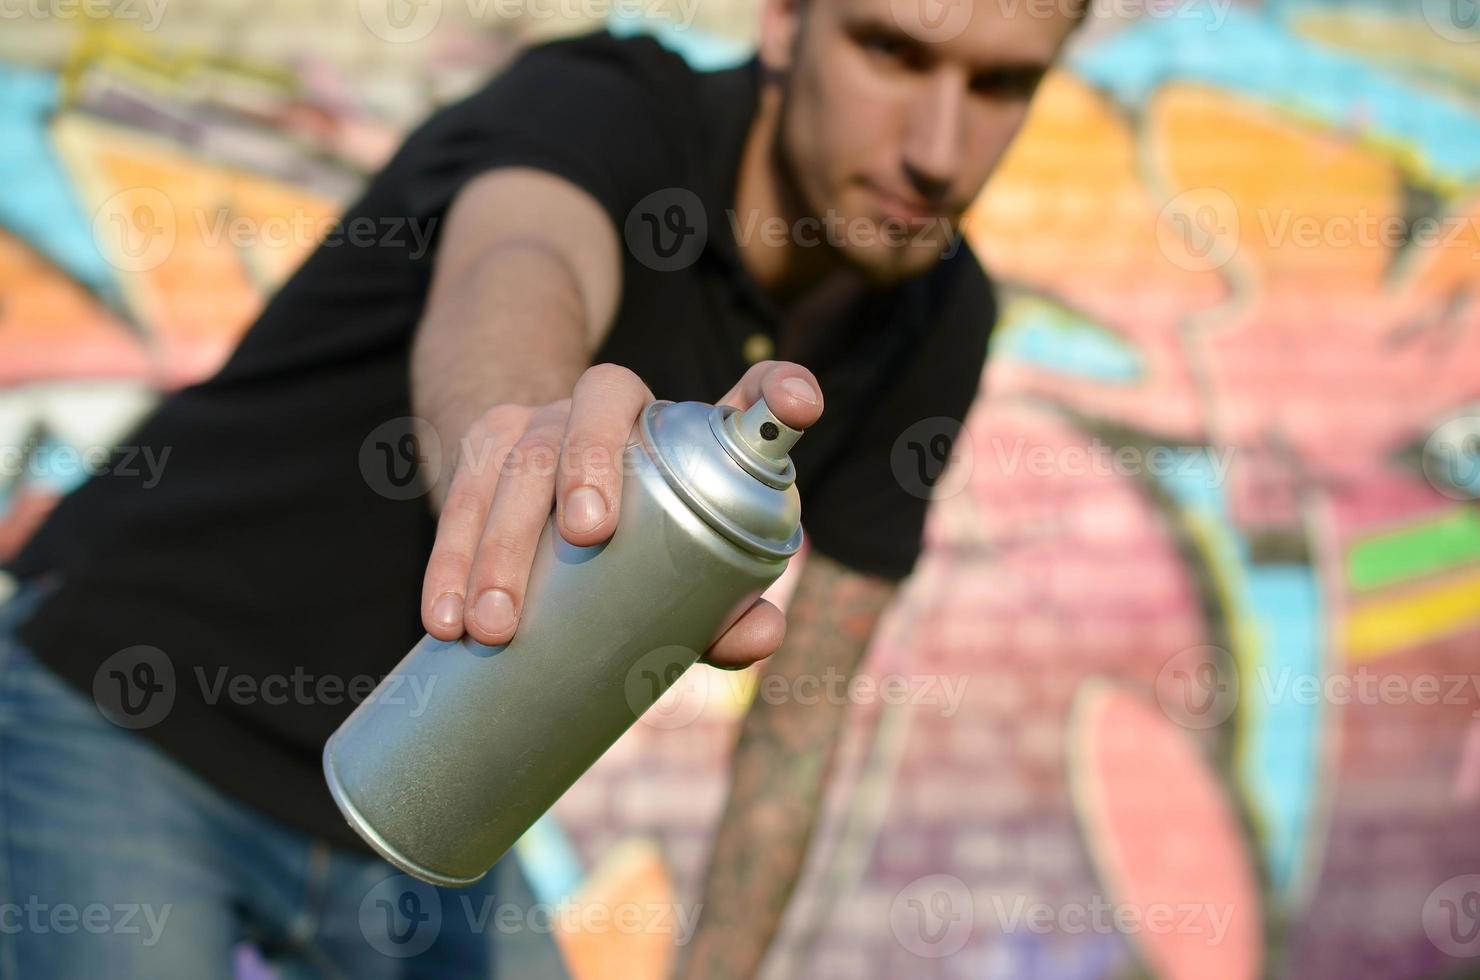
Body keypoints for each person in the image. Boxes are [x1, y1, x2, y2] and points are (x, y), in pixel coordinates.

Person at [0, 0, 1083, 973]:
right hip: (130, 704)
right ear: (786, 23)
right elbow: (517, 262)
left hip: (424, 807)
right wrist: (518, 434)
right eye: (891, 51)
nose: (939, 150)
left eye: (1000, 84)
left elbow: (803, 708)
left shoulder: (934, 316)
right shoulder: (602, 106)